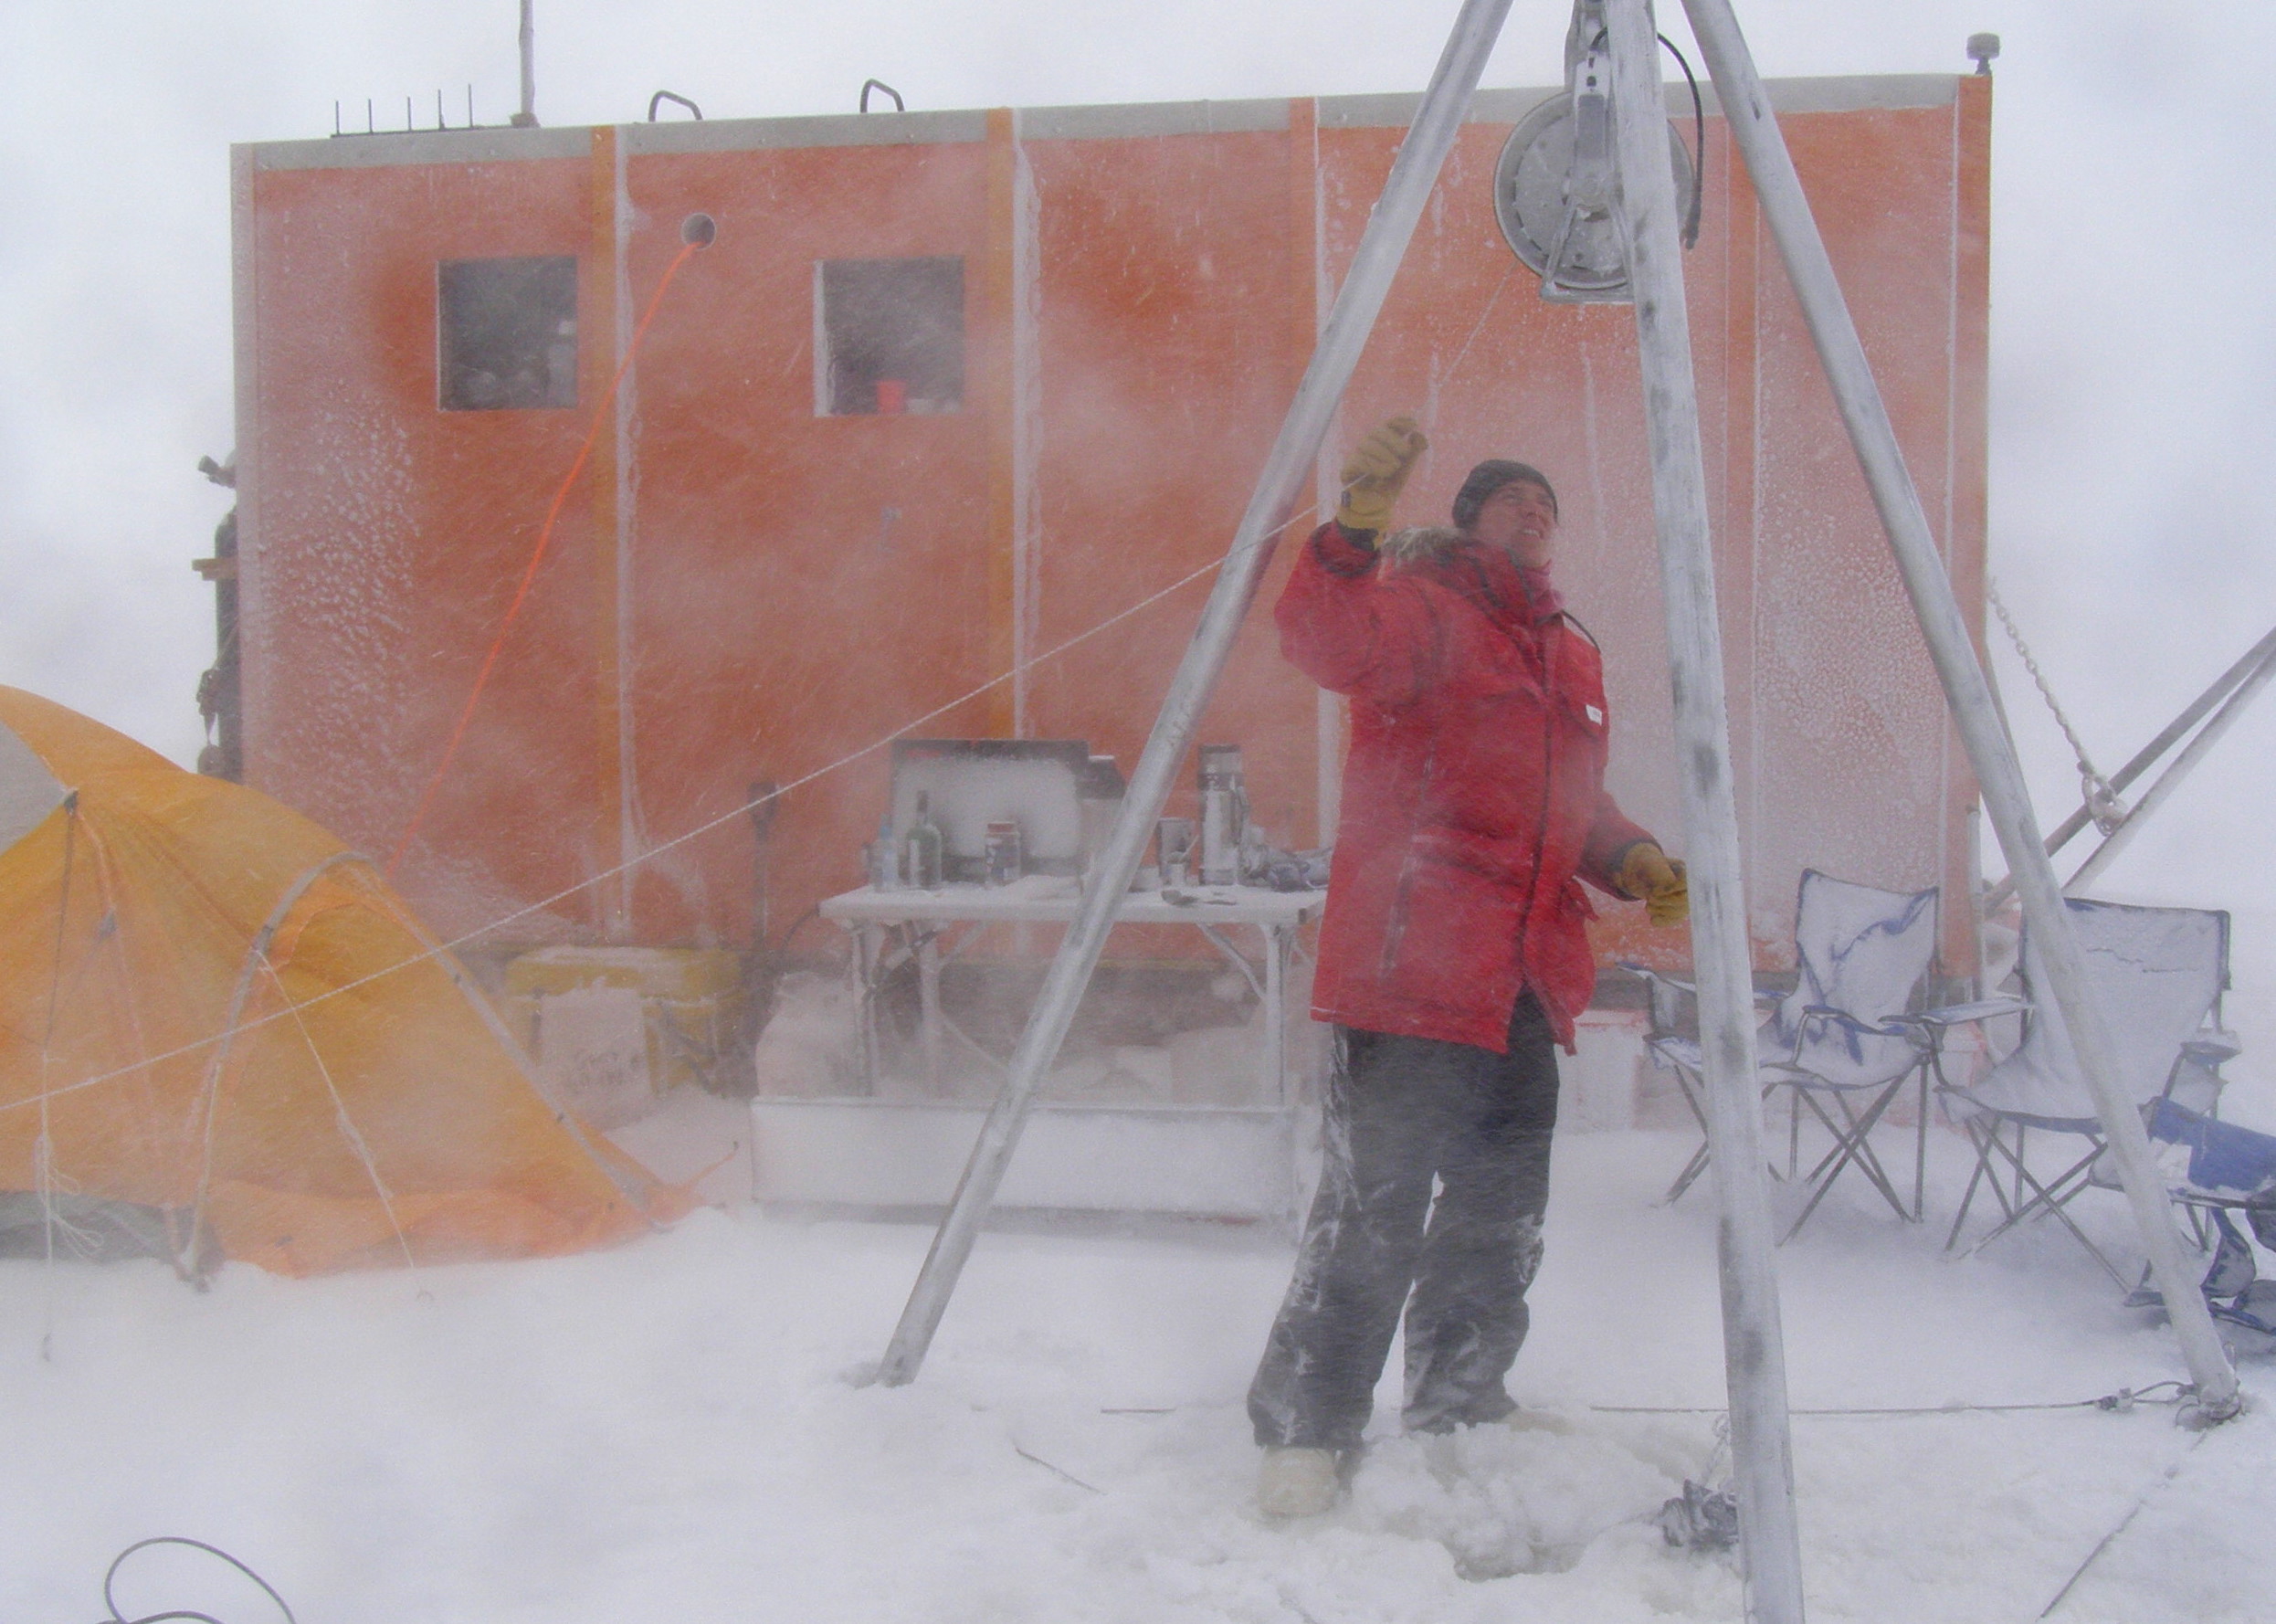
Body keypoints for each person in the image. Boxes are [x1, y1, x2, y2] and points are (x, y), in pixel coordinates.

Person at [1249, 417, 1689, 1517]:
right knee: (1372, 1210)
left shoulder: (1568, 650)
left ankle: (1461, 1396)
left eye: (1545, 502)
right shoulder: (1420, 609)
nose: (1532, 511)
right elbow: (1324, 639)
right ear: (1466, 520)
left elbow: (1568, 801)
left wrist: (1626, 853)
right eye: (1509, 498)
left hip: (1522, 979)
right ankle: (1306, 1425)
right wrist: (1352, 528)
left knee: (1499, 1211)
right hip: (1411, 970)